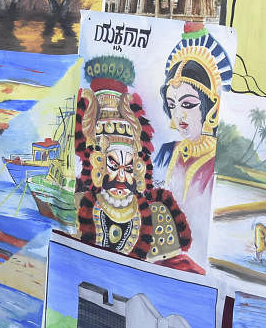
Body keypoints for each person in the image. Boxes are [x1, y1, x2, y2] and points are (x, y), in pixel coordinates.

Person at [73, 56, 197, 272]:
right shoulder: (77, 207)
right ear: (99, 166)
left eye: (128, 168)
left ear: (138, 169)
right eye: (113, 165)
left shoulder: (159, 215)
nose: (122, 178)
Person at [155, 23, 231, 255]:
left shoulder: (218, 161)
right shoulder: (166, 152)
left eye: (188, 104)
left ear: (212, 105)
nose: (179, 115)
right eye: (172, 105)